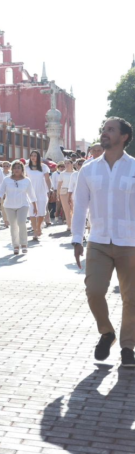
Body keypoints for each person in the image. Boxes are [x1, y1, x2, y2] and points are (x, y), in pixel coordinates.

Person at [72, 117, 135, 367]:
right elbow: (79, 208)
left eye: (111, 130)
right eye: (103, 129)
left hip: (130, 242)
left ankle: (128, 346)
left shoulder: (133, 168)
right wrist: (77, 239)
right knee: (94, 291)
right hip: (97, 240)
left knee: (131, 298)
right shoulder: (88, 169)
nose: (104, 133)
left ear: (124, 137)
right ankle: (106, 332)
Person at [0, 161, 37, 254]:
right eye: (15, 168)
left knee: (21, 223)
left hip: (23, 205)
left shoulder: (27, 180)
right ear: (12, 169)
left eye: (19, 167)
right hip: (9, 206)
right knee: (13, 226)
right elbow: (1, 191)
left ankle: (24, 244)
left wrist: (35, 205)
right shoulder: (6, 180)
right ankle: (15, 245)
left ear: (22, 169)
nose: (16, 169)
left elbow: (31, 194)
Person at [26, 150, 52, 241]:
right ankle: (35, 231)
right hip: (30, 192)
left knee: (41, 211)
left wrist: (49, 190)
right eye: (32, 155)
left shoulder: (44, 167)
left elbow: (47, 180)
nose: (33, 157)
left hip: (41, 191)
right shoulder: (26, 167)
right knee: (31, 212)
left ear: (38, 157)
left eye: (35, 155)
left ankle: (38, 227)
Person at [57, 159, 75, 232]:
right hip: (64, 192)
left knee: (73, 209)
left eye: (68, 163)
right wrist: (58, 195)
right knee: (67, 209)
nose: (67, 165)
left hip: (73, 192)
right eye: (65, 163)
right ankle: (69, 225)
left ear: (72, 164)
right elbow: (59, 185)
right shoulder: (62, 174)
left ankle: (74, 224)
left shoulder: (75, 173)